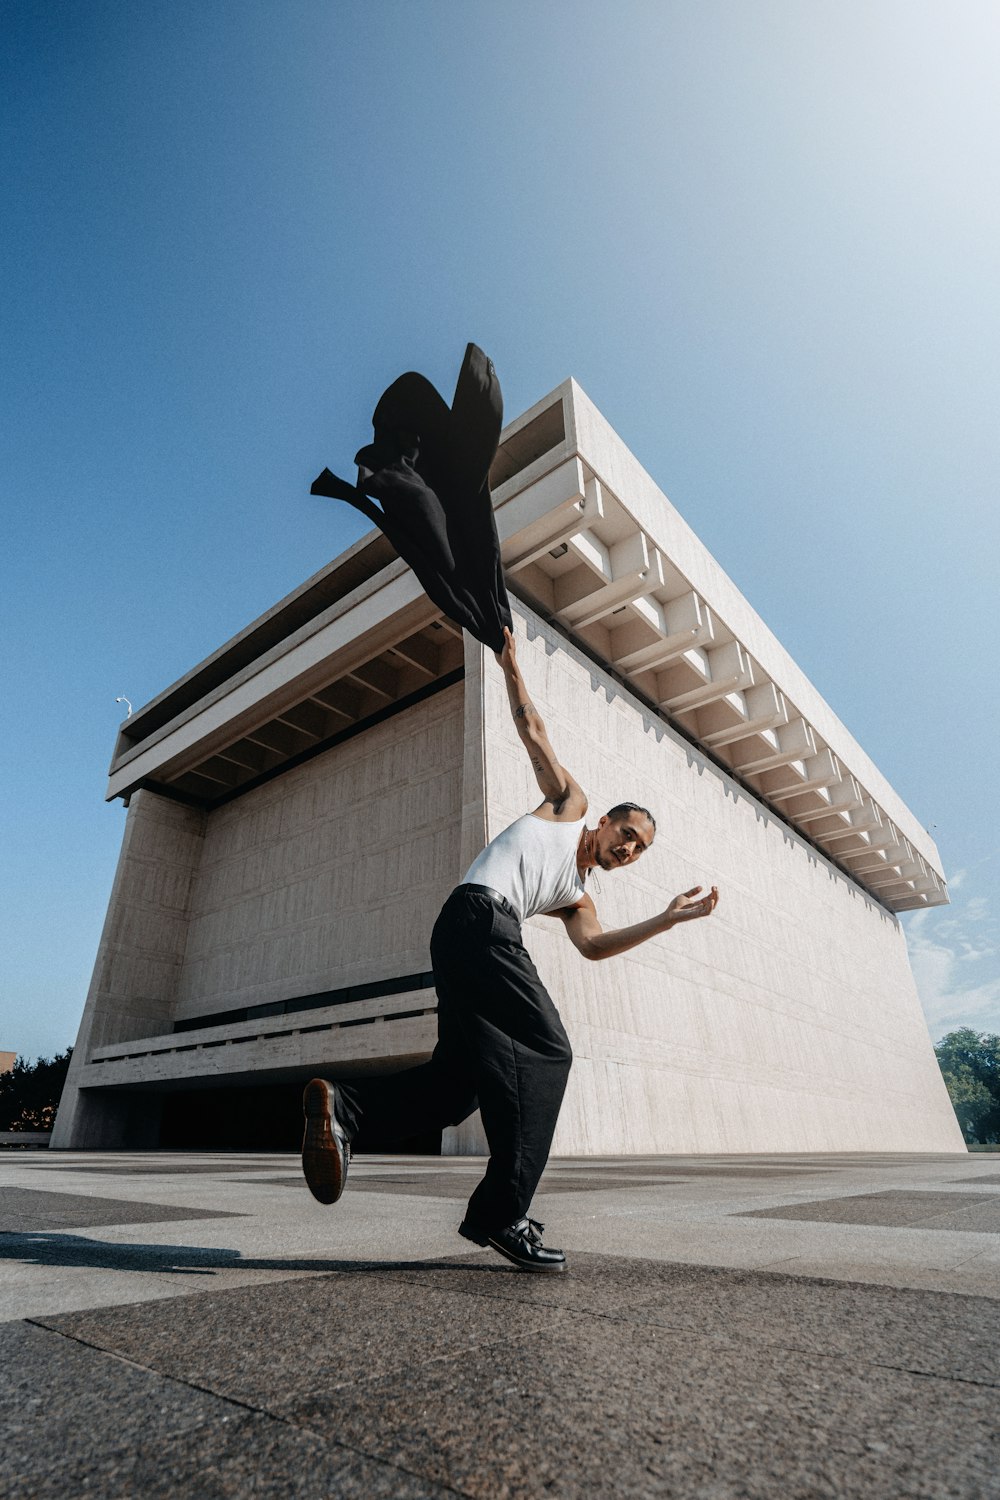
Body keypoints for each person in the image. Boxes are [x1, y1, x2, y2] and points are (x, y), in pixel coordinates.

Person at [302, 625, 719, 1273]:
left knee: (458, 1084)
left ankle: (345, 1111)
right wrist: (510, 661)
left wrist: (668, 919)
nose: (628, 850)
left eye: (640, 850)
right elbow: (534, 734)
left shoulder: (577, 892)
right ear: (606, 820)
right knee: (550, 1049)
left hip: (463, 931)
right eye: (628, 834)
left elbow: (596, 945)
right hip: (480, 920)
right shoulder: (568, 806)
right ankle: (504, 1212)